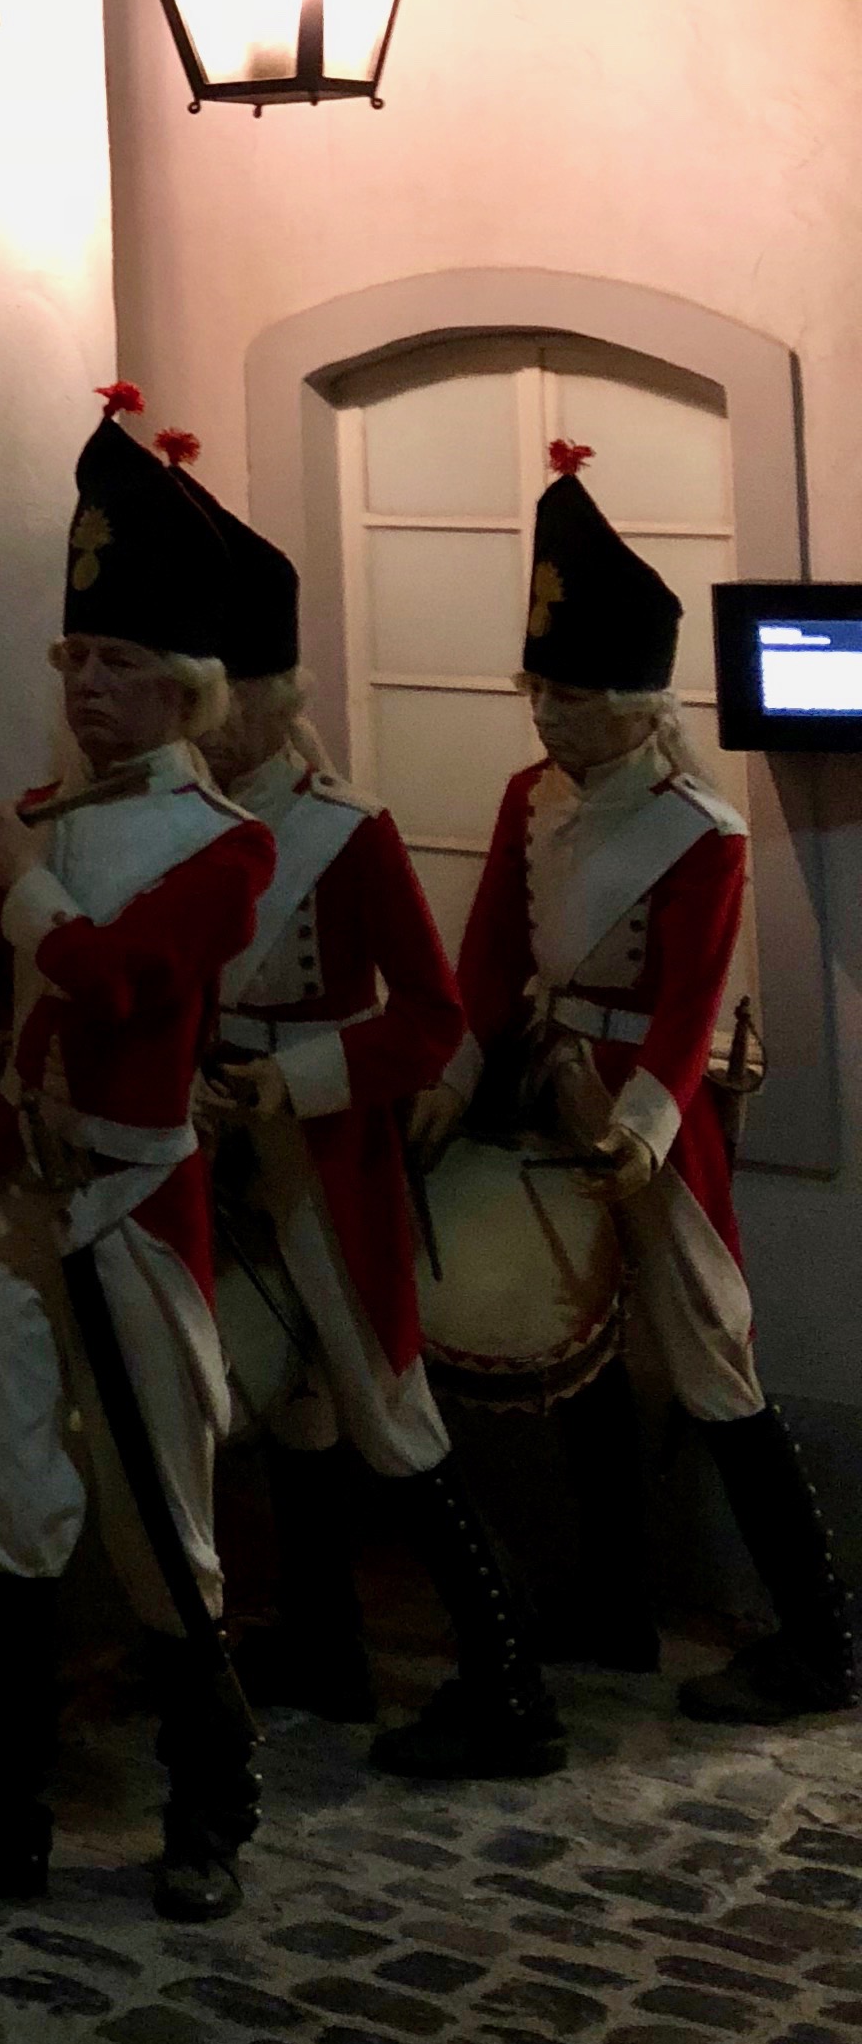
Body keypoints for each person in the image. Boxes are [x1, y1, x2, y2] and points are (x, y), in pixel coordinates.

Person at [0, 386, 276, 1924]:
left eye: (118, 662)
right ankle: (5, 1821)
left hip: (133, 1207)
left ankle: (210, 1807)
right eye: (74, 659)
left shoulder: (229, 844)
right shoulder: (47, 821)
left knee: (162, 1518)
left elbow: (120, 980)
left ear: (184, 687)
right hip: (19, 1202)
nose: (88, 688)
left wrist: (26, 885)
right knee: (6, 1509)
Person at [410, 442, 854, 1725]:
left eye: (573, 693)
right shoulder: (526, 799)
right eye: (539, 688)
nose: (548, 715)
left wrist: (645, 1129)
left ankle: (819, 1643)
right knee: (579, 1356)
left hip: (643, 1118)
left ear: (637, 703)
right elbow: (489, 962)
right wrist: (454, 1085)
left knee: (714, 1360)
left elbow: (689, 1003)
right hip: (544, 1085)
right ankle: (613, 1600)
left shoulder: (702, 828)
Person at [162, 432, 560, 1782]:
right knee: (293, 1408)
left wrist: (300, 1080)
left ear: (273, 696)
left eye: (223, 692)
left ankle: (511, 1688)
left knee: (391, 1413)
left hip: (325, 1156)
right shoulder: (181, 822)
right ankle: (323, 1642)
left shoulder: (347, 829)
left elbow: (435, 1019)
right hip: (218, 1145)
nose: (204, 717)